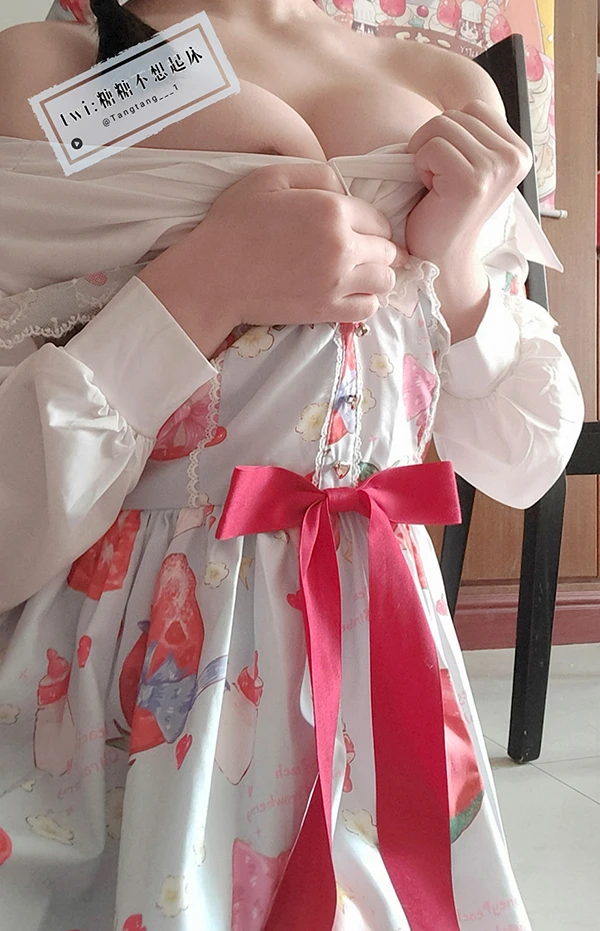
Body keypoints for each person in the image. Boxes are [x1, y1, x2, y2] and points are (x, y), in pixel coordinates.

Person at [0, 1, 584, 929]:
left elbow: (525, 457)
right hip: (140, 658)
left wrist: (461, 269)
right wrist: (202, 286)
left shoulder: (445, 84)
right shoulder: (42, 69)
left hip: (378, 636)